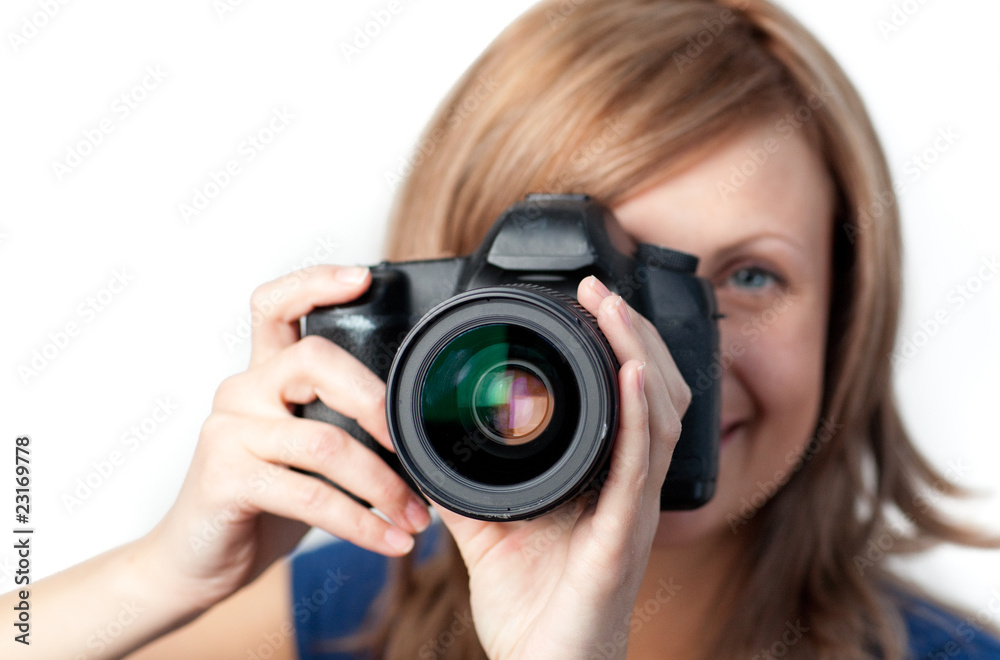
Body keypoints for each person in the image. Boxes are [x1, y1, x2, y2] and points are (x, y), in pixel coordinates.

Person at [4, 0, 998, 658]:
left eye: (748, 274)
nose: (659, 366)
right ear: (441, 330)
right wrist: (162, 572)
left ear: (847, 314)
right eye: (593, 289)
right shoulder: (337, 617)